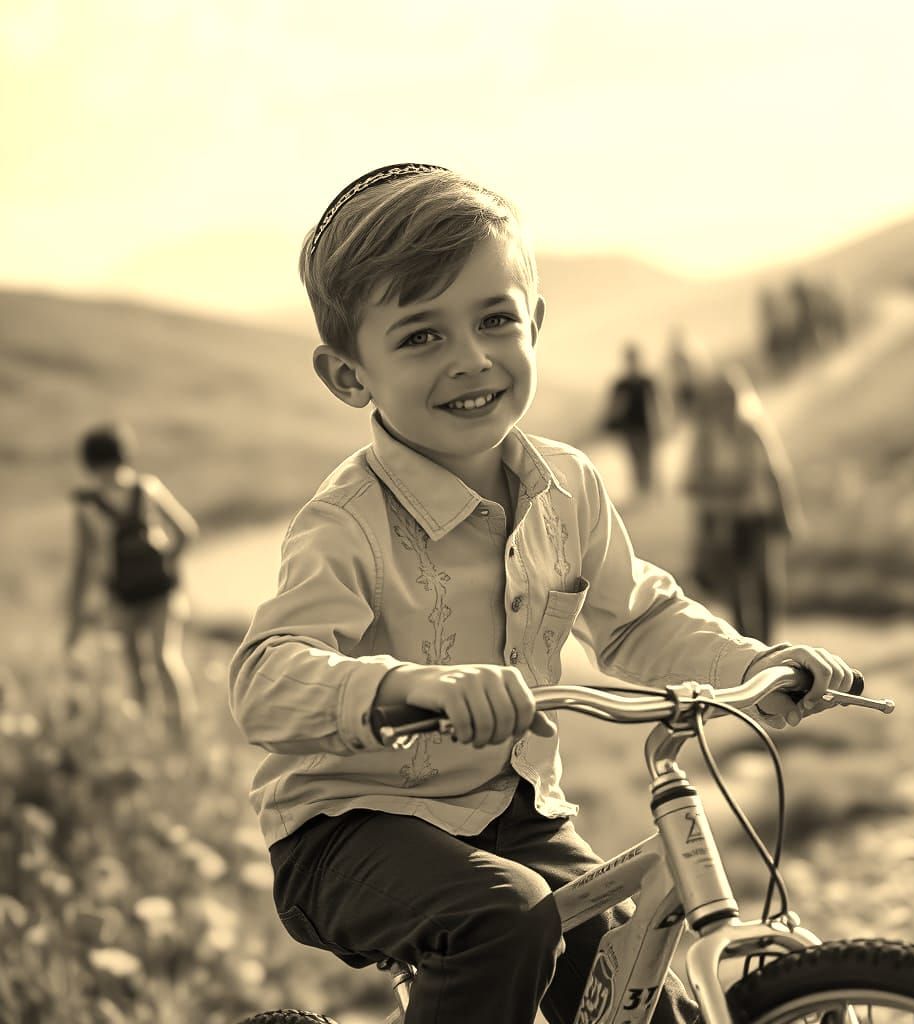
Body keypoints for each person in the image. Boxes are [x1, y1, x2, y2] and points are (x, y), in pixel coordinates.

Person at [228, 163, 858, 1024]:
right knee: (506, 915)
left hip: (514, 815)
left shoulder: (569, 486)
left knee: (638, 991)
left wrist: (758, 663)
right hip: (348, 829)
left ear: (536, 322)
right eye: (420, 336)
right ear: (348, 376)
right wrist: (405, 686)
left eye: (495, 319)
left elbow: (637, 620)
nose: (472, 358)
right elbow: (264, 677)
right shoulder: (347, 522)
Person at [66, 423, 199, 737]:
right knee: (166, 657)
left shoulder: (87, 507)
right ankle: (181, 730)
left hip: (122, 593)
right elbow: (186, 531)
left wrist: (75, 613)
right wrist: (168, 562)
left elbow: (83, 563)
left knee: (133, 662)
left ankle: (146, 731)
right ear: (124, 455)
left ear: (89, 463)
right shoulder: (147, 488)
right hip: (161, 590)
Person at [682, 366, 800, 644]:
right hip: (726, 521)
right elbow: (691, 483)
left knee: (765, 583)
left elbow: (775, 471)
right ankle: (750, 645)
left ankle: (768, 643)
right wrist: (726, 490)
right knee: (735, 586)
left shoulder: (752, 429)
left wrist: (787, 512)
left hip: (756, 516)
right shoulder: (705, 438)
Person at [603, 342, 661, 495]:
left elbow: (656, 405)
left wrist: (659, 424)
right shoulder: (621, 385)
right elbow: (614, 408)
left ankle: (648, 489)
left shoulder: (647, 382)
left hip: (646, 428)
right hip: (630, 429)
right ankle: (641, 489)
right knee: (634, 459)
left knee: (647, 458)